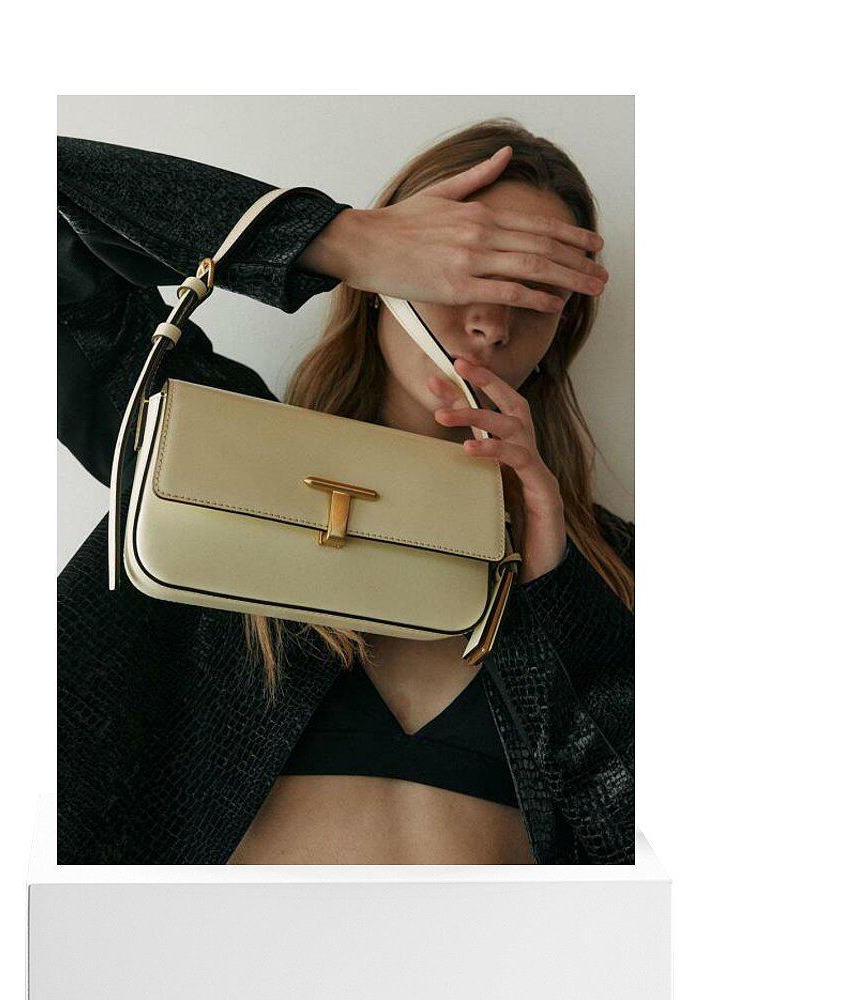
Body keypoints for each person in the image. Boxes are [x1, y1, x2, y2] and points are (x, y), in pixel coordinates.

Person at [57, 117, 634, 865]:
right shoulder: (212, 462)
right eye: (463, 268)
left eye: (535, 287)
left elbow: (641, 848)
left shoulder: (612, 568)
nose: (491, 322)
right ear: (381, 282)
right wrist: (332, 239)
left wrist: (556, 594)